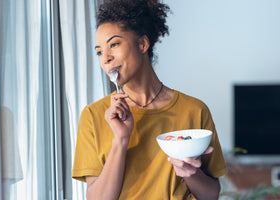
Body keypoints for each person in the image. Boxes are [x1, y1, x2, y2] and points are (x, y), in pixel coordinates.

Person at [72, 0, 227, 199]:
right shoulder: (93, 116)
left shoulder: (195, 110)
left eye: (114, 44)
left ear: (142, 44)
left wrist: (191, 173)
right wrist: (120, 140)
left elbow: (211, 195)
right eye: (100, 51)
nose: (105, 58)